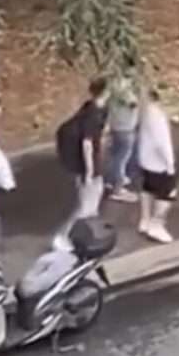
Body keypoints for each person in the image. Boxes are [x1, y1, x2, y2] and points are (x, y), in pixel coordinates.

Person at [53, 77, 108, 252]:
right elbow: (87, 143)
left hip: (93, 166)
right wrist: (89, 171)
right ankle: (64, 236)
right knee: (85, 206)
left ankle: (86, 233)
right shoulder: (93, 114)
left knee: (93, 201)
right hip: (88, 167)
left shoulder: (92, 108)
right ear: (106, 92)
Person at [137, 89, 177, 243]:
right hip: (158, 164)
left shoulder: (145, 111)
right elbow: (162, 144)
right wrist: (170, 165)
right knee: (167, 194)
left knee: (148, 189)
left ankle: (145, 220)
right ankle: (156, 225)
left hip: (145, 160)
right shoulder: (157, 116)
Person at [105, 55, 140, 203]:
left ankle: (111, 178)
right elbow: (133, 103)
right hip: (124, 127)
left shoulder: (114, 82)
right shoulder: (123, 87)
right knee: (121, 158)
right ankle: (117, 189)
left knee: (116, 155)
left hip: (116, 124)